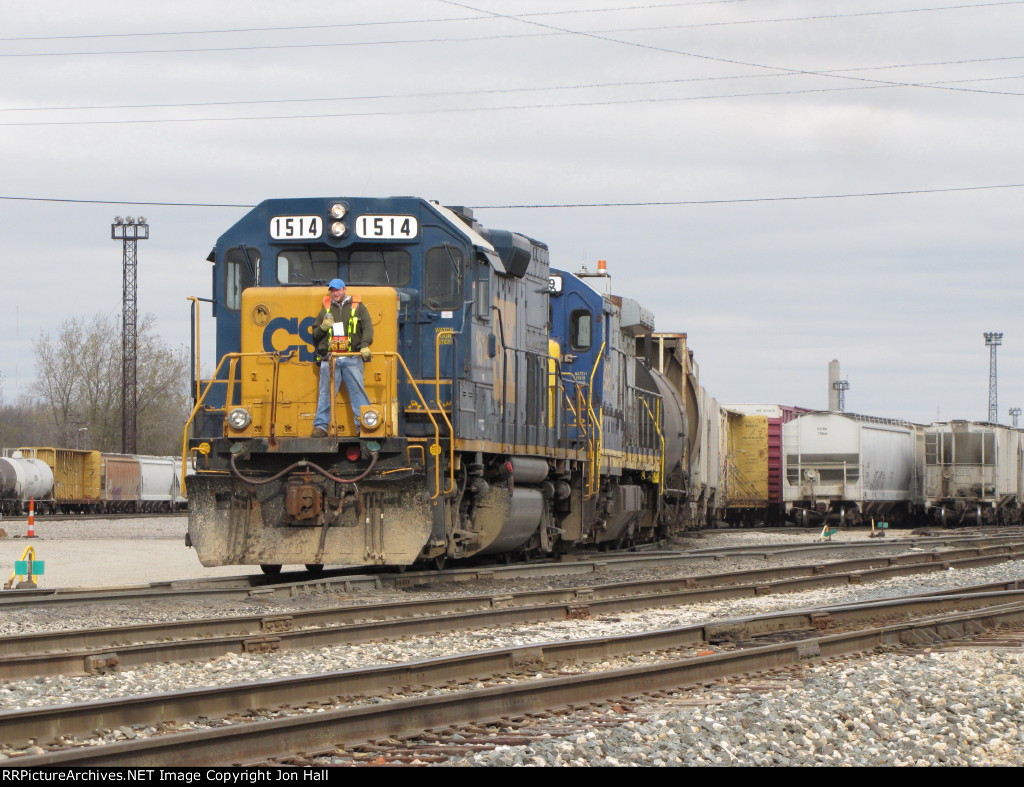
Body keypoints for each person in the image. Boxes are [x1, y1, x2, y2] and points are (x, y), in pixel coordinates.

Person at [311, 278, 373, 436]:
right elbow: (315, 334)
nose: (335, 293)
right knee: (325, 392)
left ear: (344, 289)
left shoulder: (359, 308)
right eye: (332, 290)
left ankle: (364, 425)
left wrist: (365, 345)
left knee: (357, 391)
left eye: (337, 290)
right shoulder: (325, 310)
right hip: (330, 357)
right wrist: (323, 327)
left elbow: (367, 327)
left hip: (352, 356)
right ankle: (321, 426)